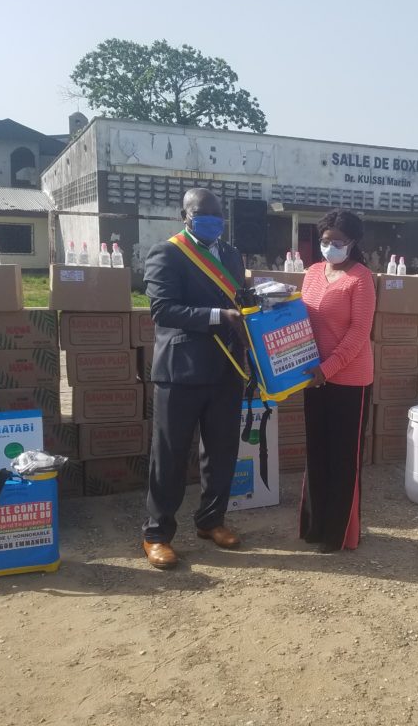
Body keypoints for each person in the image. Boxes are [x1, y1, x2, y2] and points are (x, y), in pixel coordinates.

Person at [141, 188, 247, 569]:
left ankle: (211, 520)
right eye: (203, 217)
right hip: (180, 372)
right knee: (169, 456)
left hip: (226, 369)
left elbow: (238, 300)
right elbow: (163, 310)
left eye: (217, 218)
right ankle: (156, 535)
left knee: (221, 452)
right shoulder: (167, 253)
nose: (212, 224)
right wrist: (219, 317)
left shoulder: (231, 255)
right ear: (184, 216)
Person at [300, 210, 376, 552]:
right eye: (325, 240)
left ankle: (338, 534)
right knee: (317, 452)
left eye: (338, 242)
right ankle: (315, 526)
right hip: (313, 377)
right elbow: (301, 320)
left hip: (349, 380)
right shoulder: (313, 273)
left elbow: (359, 333)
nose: (330, 247)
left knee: (343, 458)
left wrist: (327, 369)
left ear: (353, 242)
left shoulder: (361, 279)